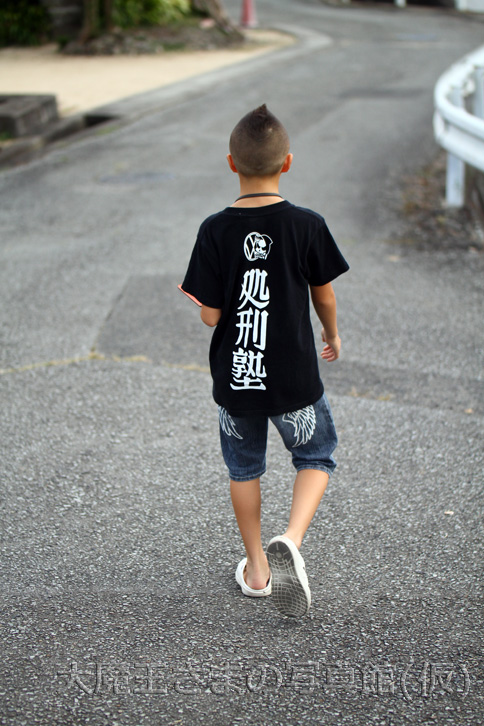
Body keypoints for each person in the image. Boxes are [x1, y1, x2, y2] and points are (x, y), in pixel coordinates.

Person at [179, 104, 349, 618]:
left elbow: (210, 315)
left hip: (237, 379)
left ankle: (257, 570)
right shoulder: (307, 224)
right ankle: (291, 540)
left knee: (244, 468)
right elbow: (324, 295)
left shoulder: (214, 229)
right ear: (288, 162)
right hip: (294, 378)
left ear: (231, 163)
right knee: (315, 456)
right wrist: (332, 334)